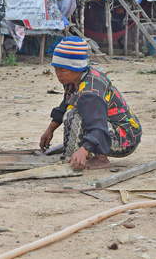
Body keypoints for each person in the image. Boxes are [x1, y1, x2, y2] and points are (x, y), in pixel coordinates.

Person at [39, 36, 142, 170]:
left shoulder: (91, 91)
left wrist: (84, 150)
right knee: (72, 112)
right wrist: (50, 130)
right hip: (108, 128)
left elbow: (98, 126)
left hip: (126, 137)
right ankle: (82, 154)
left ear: (76, 68)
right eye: (56, 69)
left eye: (62, 70)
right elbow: (65, 104)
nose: (58, 74)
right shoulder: (74, 80)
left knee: (73, 116)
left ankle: (100, 158)